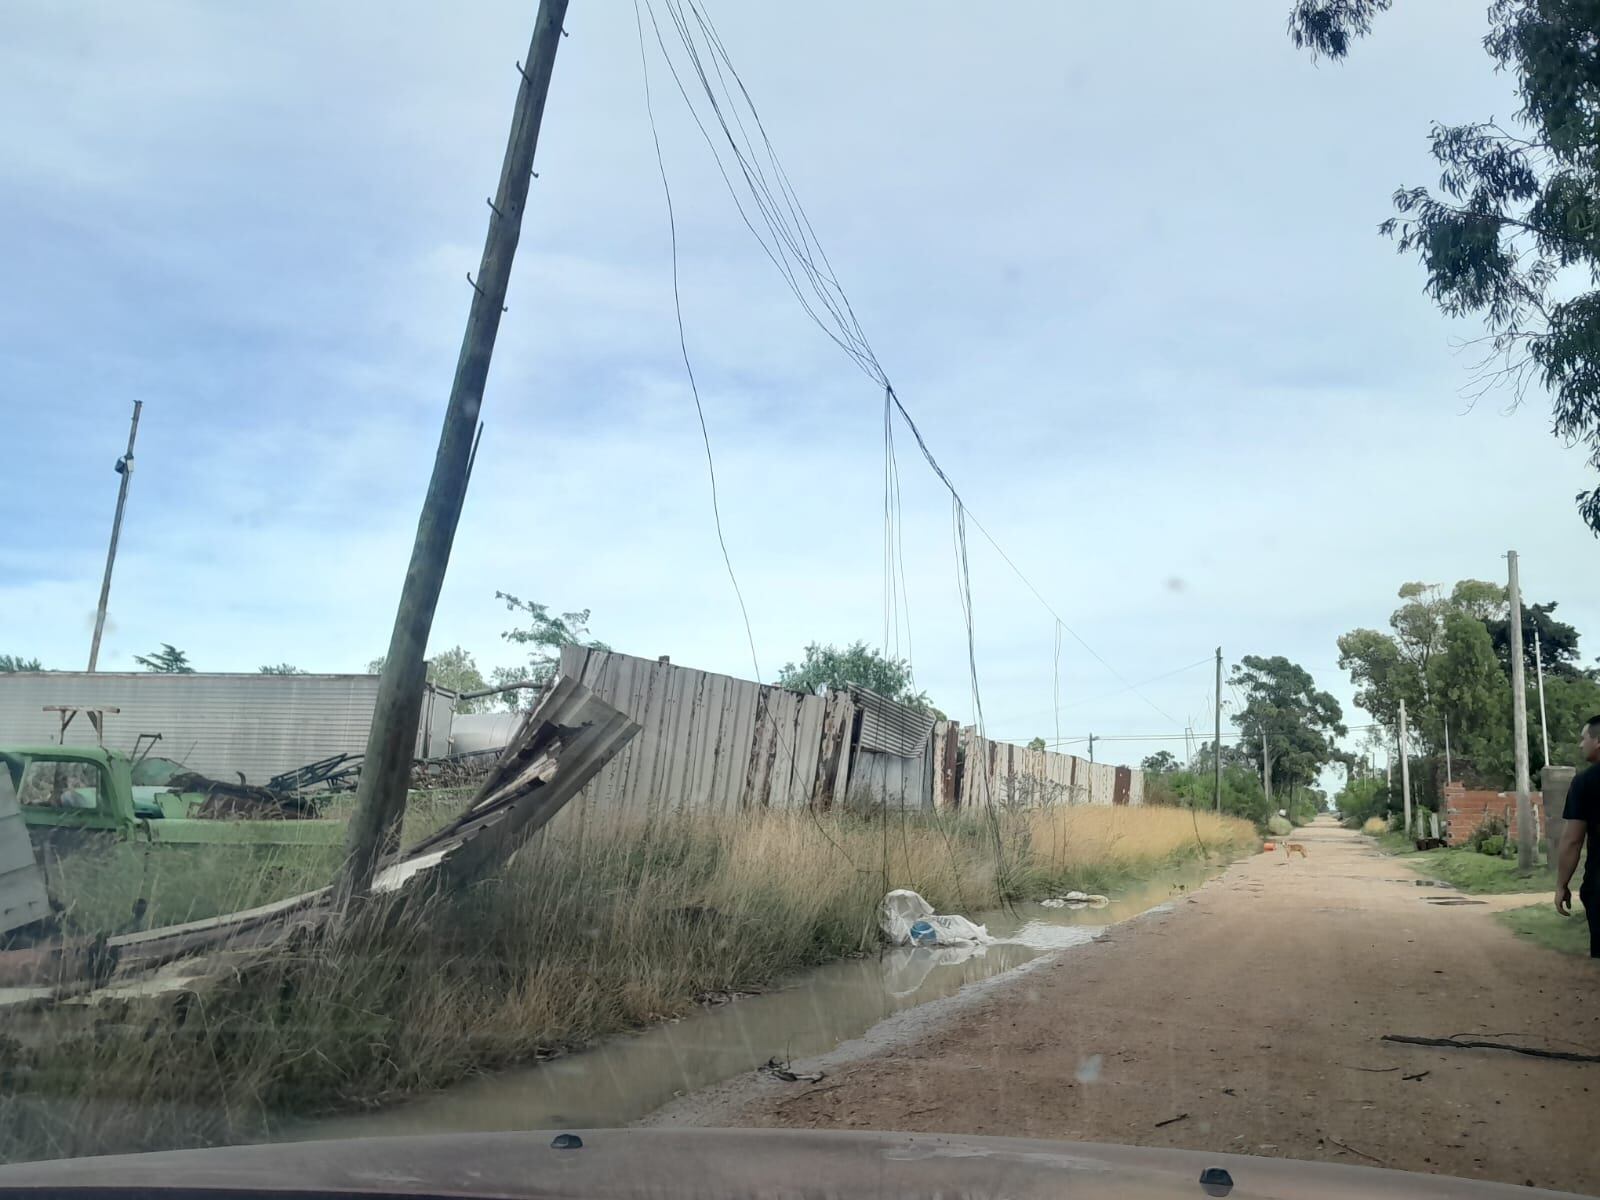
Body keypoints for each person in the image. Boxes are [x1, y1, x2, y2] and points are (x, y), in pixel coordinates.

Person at [1554, 714, 1600, 958]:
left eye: (1584, 739)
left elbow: (1572, 840)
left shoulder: (1586, 783)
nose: (1581, 745)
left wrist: (1562, 885)